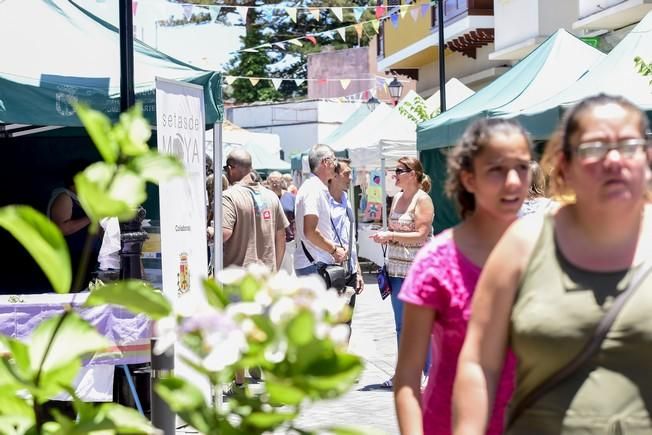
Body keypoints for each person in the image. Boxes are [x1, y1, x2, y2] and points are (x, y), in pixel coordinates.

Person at [453, 94, 652, 434]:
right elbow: (478, 363)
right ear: (564, 165)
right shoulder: (522, 244)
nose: (615, 159)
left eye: (630, 145)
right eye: (594, 148)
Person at [394, 119, 532, 435]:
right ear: (469, 179)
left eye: (522, 168)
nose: (513, 181)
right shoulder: (437, 262)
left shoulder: (550, 252)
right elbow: (408, 375)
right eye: (497, 169)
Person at [222, 149, 288, 390]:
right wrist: (275, 266)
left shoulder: (228, 197)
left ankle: (239, 383)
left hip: (238, 275)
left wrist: (208, 231)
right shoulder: (271, 196)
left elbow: (224, 233)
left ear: (231, 169)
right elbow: (282, 234)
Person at [370, 156, 434, 388]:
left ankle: (427, 372)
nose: (393, 174)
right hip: (396, 269)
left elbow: (421, 235)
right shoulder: (397, 197)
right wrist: (384, 235)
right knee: (401, 325)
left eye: (399, 170)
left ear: (413, 174)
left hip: (417, 271)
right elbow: (396, 230)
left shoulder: (423, 200)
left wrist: (391, 236)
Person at [294, 144, 347, 276]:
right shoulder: (313, 189)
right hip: (313, 265)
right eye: (334, 160)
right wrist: (334, 250)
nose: (336, 164)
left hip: (314, 263)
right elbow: (310, 231)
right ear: (325, 162)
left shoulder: (314, 187)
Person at [47, 160, 100, 291]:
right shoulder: (64, 197)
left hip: (85, 259)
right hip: (69, 260)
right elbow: (62, 229)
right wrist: (91, 217)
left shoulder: (82, 200)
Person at [328, 159, 364, 327]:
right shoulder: (323, 202)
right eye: (347, 174)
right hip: (331, 272)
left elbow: (351, 239)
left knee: (346, 326)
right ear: (334, 175)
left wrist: (358, 271)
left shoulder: (346, 200)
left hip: (348, 272)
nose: (351, 178)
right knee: (331, 325)